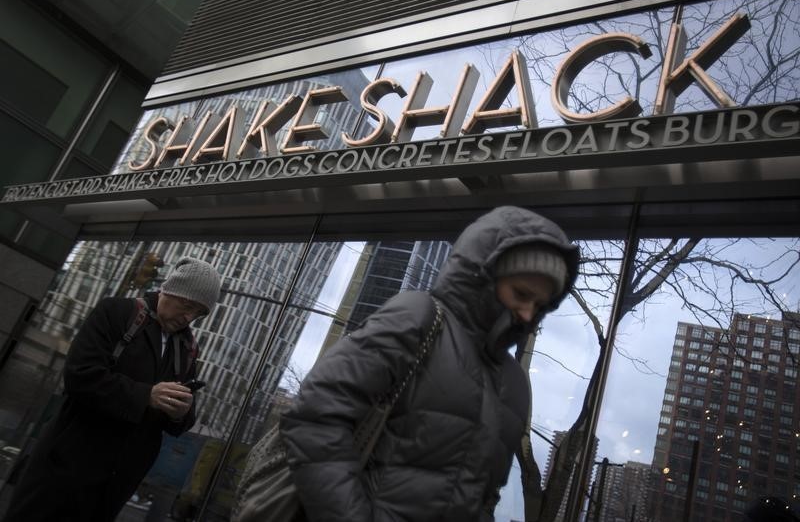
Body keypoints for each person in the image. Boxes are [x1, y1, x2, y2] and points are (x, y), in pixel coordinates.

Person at [280, 206, 579, 521]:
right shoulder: (418, 318)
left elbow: (482, 498)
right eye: (521, 293)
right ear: (484, 274)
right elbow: (314, 419)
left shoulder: (515, 384)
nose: (528, 313)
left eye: (541, 305)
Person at [4, 256, 221, 522]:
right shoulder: (117, 313)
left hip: (114, 486)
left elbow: (180, 423)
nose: (189, 317)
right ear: (169, 290)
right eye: (186, 305)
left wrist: (180, 413)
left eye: (198, 313)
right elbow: (79, 375)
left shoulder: (187, 347)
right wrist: (146, 395)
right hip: (65, 469)